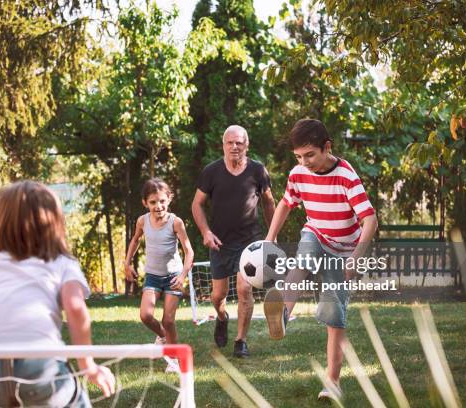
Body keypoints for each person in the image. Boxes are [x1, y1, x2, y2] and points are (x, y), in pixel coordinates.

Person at [0, 181, 115, 407]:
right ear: (54, 224)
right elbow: (76, 308)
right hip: (41, 367)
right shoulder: (62, 263)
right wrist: (88, 366)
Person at [263, 118, 378, 400]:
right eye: (299, 157)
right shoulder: (298, 173)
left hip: (344, 251)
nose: (305, 162)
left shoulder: (346, 176)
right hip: (316, 233)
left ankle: (333, 381)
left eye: (310, 155)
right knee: (304, 259)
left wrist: (356, 256)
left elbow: (370, 219)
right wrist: (270, 237)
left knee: (333, 315)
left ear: (327, 147)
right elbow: (286, 202)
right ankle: (283, 314)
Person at [191, 125, 275, 358]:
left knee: (244, 288)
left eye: (239, 142)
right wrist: (206, 232)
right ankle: (222, 316)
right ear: (223, 145)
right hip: (220, 242)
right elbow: (196, 204)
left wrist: (273, 234)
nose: (234, 146)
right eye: (230, 142)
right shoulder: (212, 172)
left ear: (247, 145)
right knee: (218, 296)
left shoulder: (258, 171)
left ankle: (241, 341)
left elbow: (269, 202)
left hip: (250, 241)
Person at [124, 178, 194, 372]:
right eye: (153, 202)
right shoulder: (142, 221)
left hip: (173, 276)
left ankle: (173, 358)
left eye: (162, 201)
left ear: (169, 200)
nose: (158, 206)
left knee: (169, 320)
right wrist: (127, 262)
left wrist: (182, 276)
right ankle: (163, 337)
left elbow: (189, 252)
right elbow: (135, 240)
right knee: (146, 315)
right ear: (145, 203)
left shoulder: (176, 222)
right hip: (153, 276)